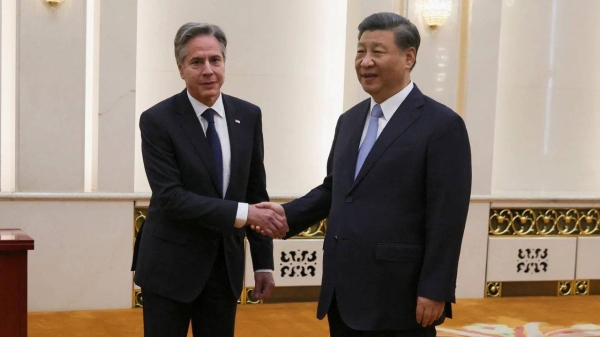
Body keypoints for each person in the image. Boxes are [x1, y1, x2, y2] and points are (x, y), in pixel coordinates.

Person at [255, 12, 472, 337]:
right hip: (342, 291)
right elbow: (336, 190)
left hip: (400, 296)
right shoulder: (350, 120)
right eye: (360, 51)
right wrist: (286, 214)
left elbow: (447, 217)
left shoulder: (441, 125)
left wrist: (435, 288)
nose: (365, 61)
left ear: (408, 56)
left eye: (377, 52)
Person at [133, 22, 288, 337]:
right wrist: (245, 215)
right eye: (197, 62)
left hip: (223, 269)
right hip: (169, 269)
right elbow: (171, 197)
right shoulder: (157, 121)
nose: (208, 70)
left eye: (215, 60)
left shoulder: (249, 116)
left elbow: (255, 190)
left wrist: (263, 264)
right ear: (181, 68)